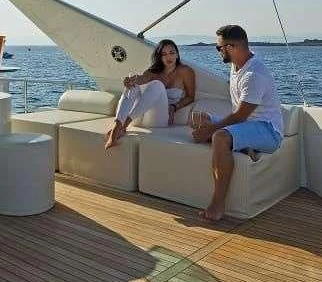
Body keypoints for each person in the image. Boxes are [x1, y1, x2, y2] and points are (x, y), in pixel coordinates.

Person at [190, 24, 283, 221]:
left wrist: (208, 132)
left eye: (219, 47)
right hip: (246, 125)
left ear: (232, 47)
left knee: (219, 136)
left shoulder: (253, 75)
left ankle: (217, 204)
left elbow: (240, 116)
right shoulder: (237, 64)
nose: (218, 51)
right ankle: (243, 146)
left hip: (267, 131)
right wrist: (207, 127)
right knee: (200, 118)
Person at [104, 39, 196, 148]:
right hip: (138, 118)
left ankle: (123, 125)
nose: (168, 57)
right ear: (159, 57)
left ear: (177, 54)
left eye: (172, 53)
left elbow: (190, 97)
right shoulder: (153, 72)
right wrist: (130, 81)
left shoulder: (185, 71)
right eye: (164, 54)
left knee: (157, 85)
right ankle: (117, 126)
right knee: (133, 84)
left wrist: (174, 107)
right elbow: (141, 79)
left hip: (159, 119)